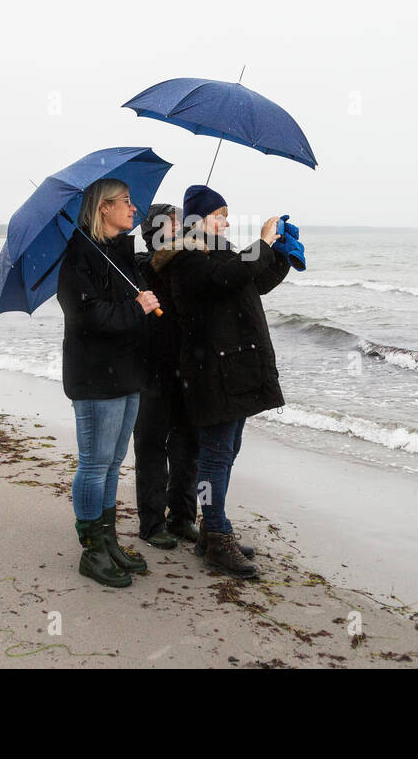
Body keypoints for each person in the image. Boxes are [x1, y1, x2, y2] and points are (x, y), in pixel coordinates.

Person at [160, 184, 290, 578]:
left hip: (236, 368)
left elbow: (254, 281)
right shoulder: (187, 258)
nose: (227, 220)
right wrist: (263, 242)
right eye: (220, 214)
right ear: (201, 220)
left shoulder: (219, 254)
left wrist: (280, 255)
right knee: (215, 454)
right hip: (212, 372)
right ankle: (216, 534)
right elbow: (230, 275)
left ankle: (209, 532)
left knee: (227, 449)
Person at [55, 178, 161, 587]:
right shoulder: (78, 257)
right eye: (127, 203)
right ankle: (91, 550)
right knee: (95, 464)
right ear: (103, 207)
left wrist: (143, 298)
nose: (134, 210)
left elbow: (132, 303)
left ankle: (109, 539)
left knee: (114, 462)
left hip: (128, 372)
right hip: (95, 377)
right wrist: (137, 307)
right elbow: (89, 319)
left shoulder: (120, 254)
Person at [132, 204, 199, 549]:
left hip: (186, 371)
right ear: (153, 233)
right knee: (151, 448)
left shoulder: (187, 262)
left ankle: (184, 518)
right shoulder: (140, 265)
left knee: (188, 447)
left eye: (179, 223)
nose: (179, 229)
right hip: (149, 373)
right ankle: (152, 523)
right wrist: (186, 242)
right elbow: (158, 261)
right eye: (171, 225)